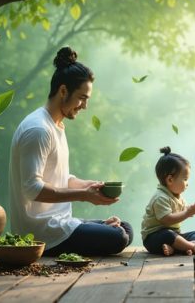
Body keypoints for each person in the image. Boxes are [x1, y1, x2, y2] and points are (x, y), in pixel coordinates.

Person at [9, 46, 133, 256]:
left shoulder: (55, 124)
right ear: (63, 91)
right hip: (41, 234)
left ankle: (99, 229)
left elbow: (59, 178)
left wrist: (90, 186)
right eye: (82, 98)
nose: (84, 106)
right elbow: (32, 188)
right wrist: (84, 195)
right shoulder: (38, 129)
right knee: (119, 236)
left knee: (125, 227)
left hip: (60, 223)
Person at [141, 147, 195, 256]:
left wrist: (191, 209)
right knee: (168, 235)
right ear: (170, 180)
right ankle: (194, 247)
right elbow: (167, 220)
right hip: (154, 238)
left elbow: (182, 211)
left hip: (175, 235)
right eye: (185, 179)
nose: (187, 183)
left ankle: (179, 247)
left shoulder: (177, 196)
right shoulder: (160, 197)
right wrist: (187, 213)